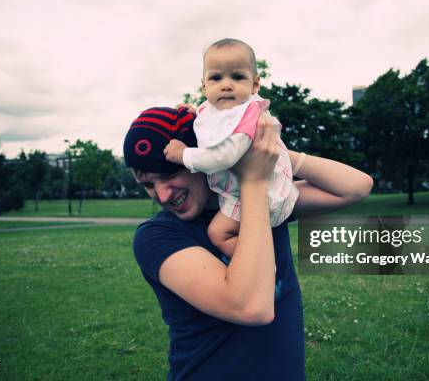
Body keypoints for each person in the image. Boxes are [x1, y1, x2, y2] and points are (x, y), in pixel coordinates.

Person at [123, 106, 373, 380]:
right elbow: (252, 307)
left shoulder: (265, 203)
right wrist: (253, 178)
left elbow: (355, 187)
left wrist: (258, 153)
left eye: (170, 174)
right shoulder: (156, 236)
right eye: (148, 185)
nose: (162, 194)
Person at [163, 38, 297, 258]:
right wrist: (194, 113)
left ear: (255, 84)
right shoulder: (214, 109)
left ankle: (262, 266)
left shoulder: (248, 116)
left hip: (258, 191)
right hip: (241, 188)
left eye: (237, 76)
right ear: (204, 86)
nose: (226, 84)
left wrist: (183, 155)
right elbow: (216, 126)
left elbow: (224, 156)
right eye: (216, 77)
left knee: (218, 233)